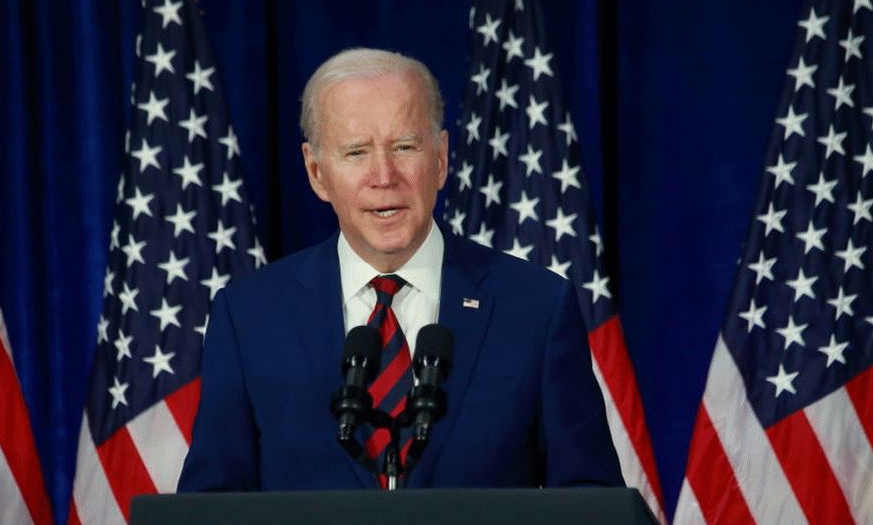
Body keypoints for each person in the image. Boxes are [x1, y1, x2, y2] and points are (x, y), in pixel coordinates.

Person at [177, 48, 623, 491]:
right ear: (316, 172)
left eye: (404, 147)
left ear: (442, 158)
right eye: (356, 153)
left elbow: (589, 501)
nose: (384, 175)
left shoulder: (536, 308)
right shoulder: (250, 315)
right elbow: (211, 504)